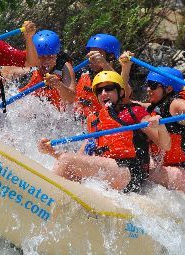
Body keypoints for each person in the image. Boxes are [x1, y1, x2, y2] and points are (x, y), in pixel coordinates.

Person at [39, 71, 170, 193]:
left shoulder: (134, 112)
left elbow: (165, 146)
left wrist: (161, 127)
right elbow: (80, 158)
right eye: (99, 90)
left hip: (130, 171)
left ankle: (45, 196)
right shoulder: (95, 119)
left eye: (109, 89)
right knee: (68, 163)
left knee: (67, 161)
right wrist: (52, 152)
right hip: (110, 169)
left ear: (121, 92)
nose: (103, 93)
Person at [18, 30, 76, 111]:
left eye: (50, 56)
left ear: (56, 55)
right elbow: (3, 73)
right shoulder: (26, 62)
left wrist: (59, 85)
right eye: (41, 56)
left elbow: (71, 99)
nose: (45, 61)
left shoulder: (64, 67)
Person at [74, 34, 128, 119]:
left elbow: (125, 94)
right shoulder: (84, 77)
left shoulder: (116, 81)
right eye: (91, 54)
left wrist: (104, 64)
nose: (92, 58)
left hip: (105, 125)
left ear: (111, 56)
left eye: (97, 54)